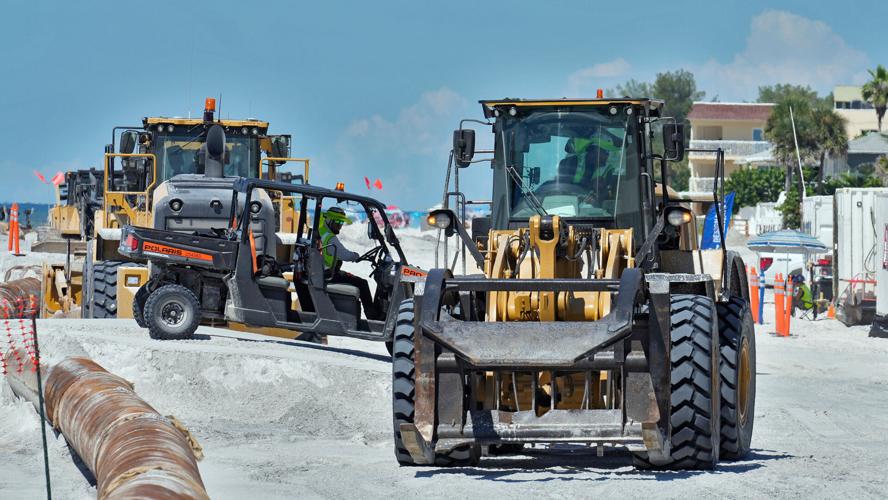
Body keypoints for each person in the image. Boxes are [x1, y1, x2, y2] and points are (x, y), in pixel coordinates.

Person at [319, 206, 381, 319]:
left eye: (341, 222)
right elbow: (345, 255)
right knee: (362, 283)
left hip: (324, 272)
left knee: (358, 281)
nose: (340, 225)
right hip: (329, 275)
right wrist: (355, 256)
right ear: (329, 220)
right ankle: (373, 318)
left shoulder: (322, 232)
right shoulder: (330, 238)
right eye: (337, 221)